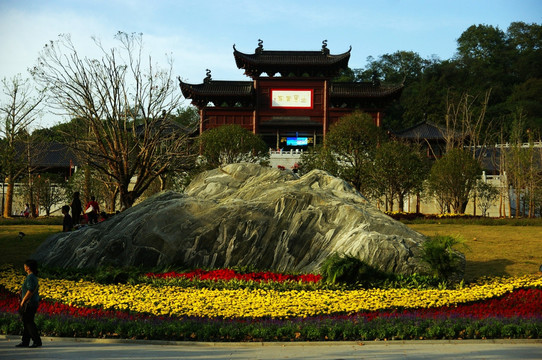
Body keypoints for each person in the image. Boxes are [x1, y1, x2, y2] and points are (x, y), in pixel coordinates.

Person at [16, 259, 42, 348]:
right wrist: (21, 291)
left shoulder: (30, 277)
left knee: (28, 322)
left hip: (29, 303)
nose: (24, 267)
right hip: (33, 302)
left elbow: (30, 290)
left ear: (28, 268)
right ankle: (25, 341)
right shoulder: (33, 276)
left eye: (25, 265)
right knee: (26, 322)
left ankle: (37, 341)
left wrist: (23, 301)